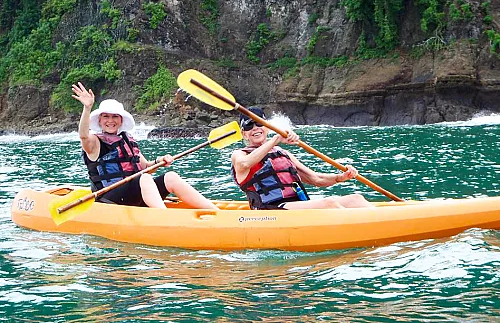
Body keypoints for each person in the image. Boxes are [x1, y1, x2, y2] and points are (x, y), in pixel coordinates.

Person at [72, 81, 219, 210]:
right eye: (106, 116)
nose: (110, 120)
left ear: (121, 120)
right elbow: (83, 135)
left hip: (134, 193)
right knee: (144, 178)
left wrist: (159, 162)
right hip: (110, 199)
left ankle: (215, 212)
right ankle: (165, 219)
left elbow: (146, 167)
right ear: (99, 120)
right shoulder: (95, 143)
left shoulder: (127, 140)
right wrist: (87, 108)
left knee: (171, 177)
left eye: (115, 116)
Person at [231, 107, 374, 210]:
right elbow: (244, 164)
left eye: (259, 123)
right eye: (249, 125)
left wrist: (340, 177)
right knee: (329, 204)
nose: (255, 128)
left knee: (356, 199)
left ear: (267, 127)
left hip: (296, 205)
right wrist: (275, 139)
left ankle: (383, 230)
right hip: (270, 210)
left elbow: (315, 179)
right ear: (244, 134)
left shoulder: (281, 153)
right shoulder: (239, 154)